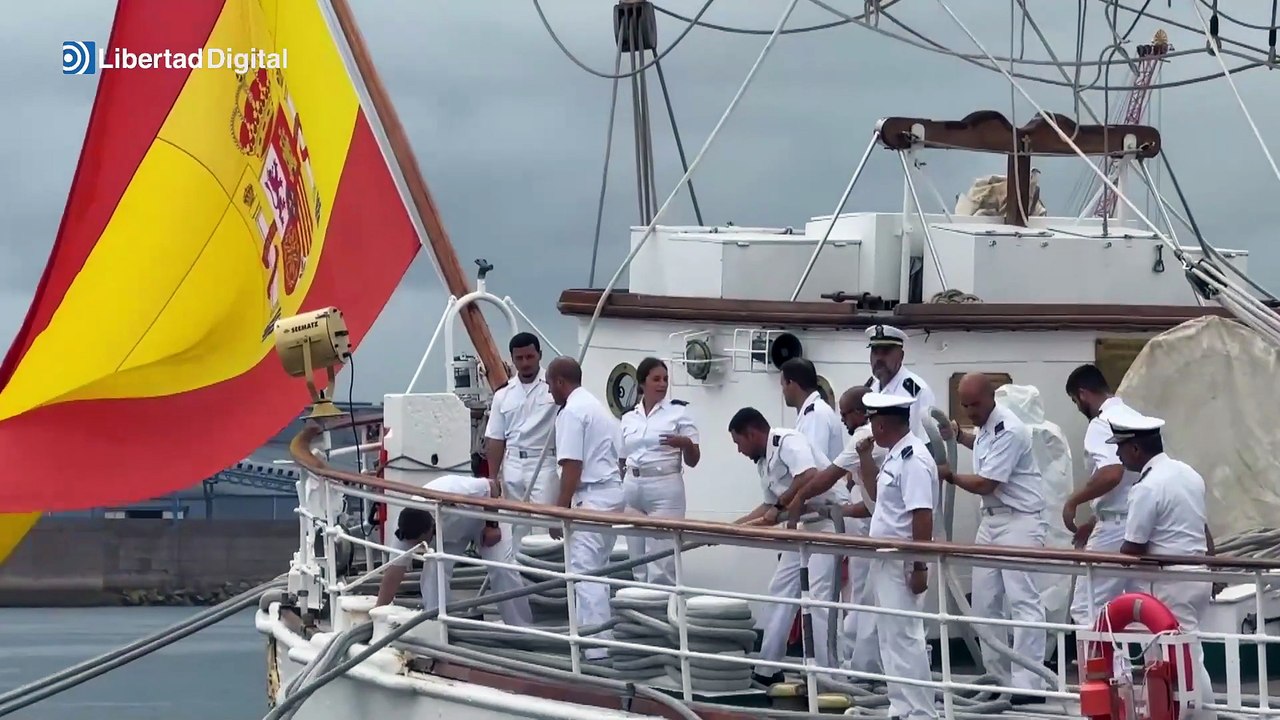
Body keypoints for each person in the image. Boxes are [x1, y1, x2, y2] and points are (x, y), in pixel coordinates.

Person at [938, 372, 1047, 704]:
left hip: (1020, 523)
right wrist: (958, 436)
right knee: (985, 603)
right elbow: (981, 441)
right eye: (965, 405)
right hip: (992, 522)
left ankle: (1029, 685)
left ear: (990, 398)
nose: (970, 411)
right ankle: (997, 679)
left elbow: (987, 483)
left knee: (1023, 603)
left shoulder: (1010, 429)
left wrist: (951, 476)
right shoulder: (987, 426)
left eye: (975, 404)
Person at [728, 406, 850, 686]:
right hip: (805, 526)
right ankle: (768, 668)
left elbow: (808, 476)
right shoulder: (763, 462)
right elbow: (769, 508)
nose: (738, 450)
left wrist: (780, 506)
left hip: (832, 522)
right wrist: (734, 528)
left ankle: (828, 675)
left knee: (818, 599)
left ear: (752, 433)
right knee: (780, 590)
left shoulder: (787, 441)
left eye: (738, 442)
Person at [1111, 407, 1217, 718]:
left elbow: (1134, 545)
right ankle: (1189, 713)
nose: (1118, 455)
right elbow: (1203, 528)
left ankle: (1201, 714)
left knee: (1181, 657)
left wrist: (1105, 561)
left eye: (1120, 447)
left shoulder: (1147, 487)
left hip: (1169, 584)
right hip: (1196, 575)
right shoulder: (1188, 473)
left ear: (1135, 448)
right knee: (1185, 652)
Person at [777, 386, 885, 674]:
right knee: (863, 602)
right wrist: (837, 510)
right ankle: (860, 667)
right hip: (868, 528)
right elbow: (870, 502)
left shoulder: (862, 438)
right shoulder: (872, 442)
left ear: (860, 414)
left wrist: (798, 499)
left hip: (874, 534)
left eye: (845, 414)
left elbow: (825, 477)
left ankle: (852, 670)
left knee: (860, 601)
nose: (843, 421)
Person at [861, 392, 939, 720]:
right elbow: (880, 499)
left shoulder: (913, 458)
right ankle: (901, 706)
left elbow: (921, 514)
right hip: (886, 559)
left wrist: (919, 566)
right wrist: (865, 458)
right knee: (890, 634)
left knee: (906, 637)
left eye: (871, 421)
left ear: (880, 424)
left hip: (903, 561)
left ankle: (921, 712)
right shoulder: (894, 456)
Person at [373, 474, 533, 627]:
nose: (420, 547)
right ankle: (437, 625)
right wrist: (376, 615)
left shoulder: (452, 489)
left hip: (483, 520)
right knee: (434, 571)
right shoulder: (404, 531)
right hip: (450, 534)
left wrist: (492, 525)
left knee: (502, 569)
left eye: (422, 542)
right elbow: (393, 575)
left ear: (429, 529)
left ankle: (521, 629)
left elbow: (491, 487)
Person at [547, 356, 626, 661]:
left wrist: (559, 511)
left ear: (559, 382)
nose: (550, 392)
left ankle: (596, 651)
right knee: (598, 571)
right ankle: (600, 641)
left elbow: (572, 466)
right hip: (609, 495)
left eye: (550, 385)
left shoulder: (572, 413)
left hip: (590, 497)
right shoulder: (596, 408)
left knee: (585, 574)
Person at [1062, 363, 1140, 624]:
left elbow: (1111, 473)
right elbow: (1131, 482)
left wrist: (1073, 501)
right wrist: (1094, 519)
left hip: (1115, 530)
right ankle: (1131, 666)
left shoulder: (1101, 423)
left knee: (1088, 609)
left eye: (1075, 401)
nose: (1078, 407)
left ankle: (1103, 666)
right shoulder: (1135, 417)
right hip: (1140, 522)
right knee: (1135, 606)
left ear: (1083, 394)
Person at [619, 357, 701, 585]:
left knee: (662, 565)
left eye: (665, 379)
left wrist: (685, 444)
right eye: (656, 379)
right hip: (632, 487)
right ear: (642, 383)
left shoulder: (679, 412)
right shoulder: (628, 417)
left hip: (664, 487)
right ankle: (639, 616)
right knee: (636, 561)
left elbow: (694, 460)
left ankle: (661, 615)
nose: (662, 384)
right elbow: (622, 456)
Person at [484, 333, 558, 548]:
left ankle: (545, 575)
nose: (525, 363)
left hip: (545, 462)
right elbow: (496, 438)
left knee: (544, 526)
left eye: (530, 357)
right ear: (512, 359)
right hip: (513, 464)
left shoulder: (554, 387)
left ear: (539, 356)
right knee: (515, 526)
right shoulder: (503, 395)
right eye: (520, 358)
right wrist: (492, 478)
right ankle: (519, 576)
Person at [863, 324, 937, 441]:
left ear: (901, 356)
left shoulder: (917, 391)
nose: (879, 358)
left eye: (886, 352)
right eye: (875, 351)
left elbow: (924, 442)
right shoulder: (871, 387)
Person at [780, 357, 843, 462]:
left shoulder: (815, 415)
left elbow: (814, 463)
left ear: (791, 383)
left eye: (783, 385)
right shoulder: (811, 413)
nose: (783, 392)